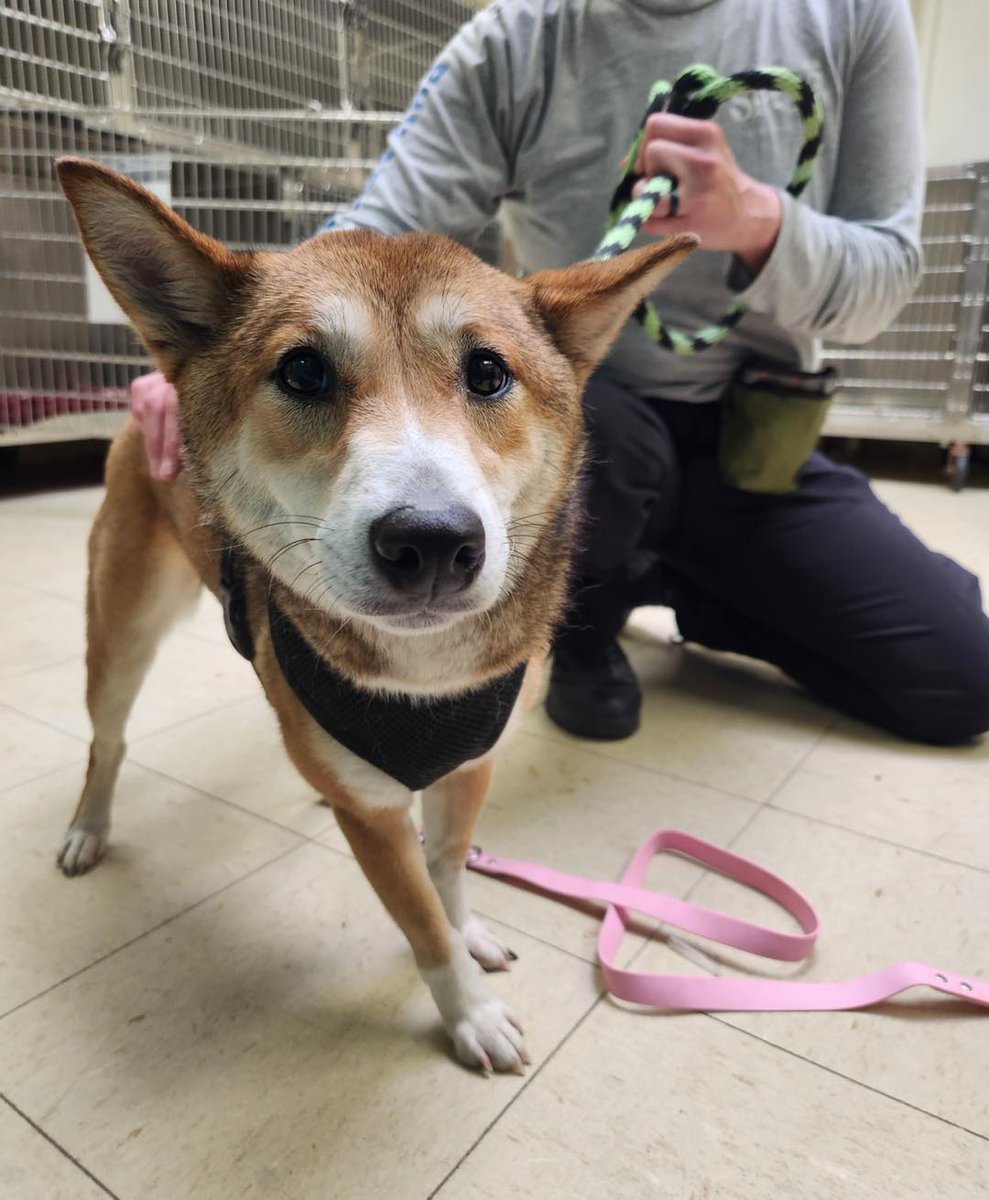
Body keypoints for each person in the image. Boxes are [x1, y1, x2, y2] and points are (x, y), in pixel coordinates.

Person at [130, 0, 989, 746]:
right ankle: (588, 613)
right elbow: (379, 231)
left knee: (961, 679)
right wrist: (224, 346)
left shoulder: (852, 14)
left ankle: (673, 583)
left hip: (756, 439)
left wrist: (759, 218)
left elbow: (883, 290)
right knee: (570, 423)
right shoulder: (511, 39)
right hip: (594, 416)